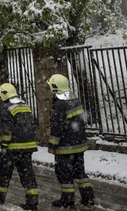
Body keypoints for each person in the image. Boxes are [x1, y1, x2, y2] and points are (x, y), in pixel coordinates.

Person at [47, 74, 95, 208]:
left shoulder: (59, 105)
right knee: (80, 173)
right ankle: (88, 198)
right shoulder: (75, 101)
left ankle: (67, 200)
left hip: (65, 148)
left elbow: (57, 128)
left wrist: (52, 145)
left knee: (64, 175)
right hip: (79, 145)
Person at [0, 83, 39, 210]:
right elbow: (32, 126)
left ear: (5, 95)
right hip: (28, 147)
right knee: (27, 173)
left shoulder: (7, 108)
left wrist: (3, 146)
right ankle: (32, 201)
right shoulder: (25, 106)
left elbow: (7, 131)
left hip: (13, 148)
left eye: (0, 97)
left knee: (2, 171)